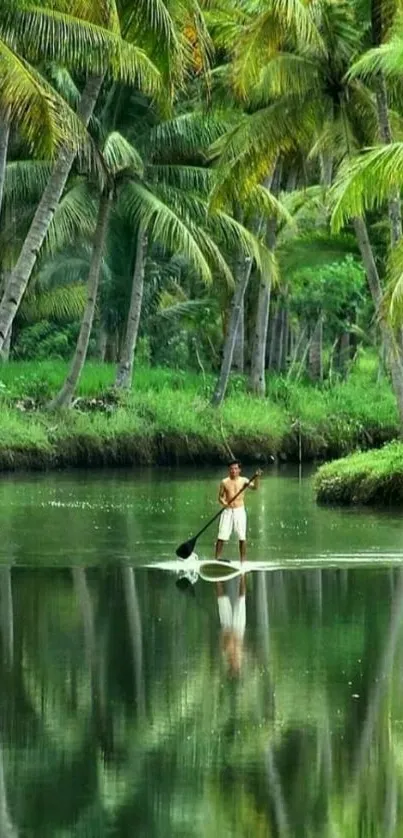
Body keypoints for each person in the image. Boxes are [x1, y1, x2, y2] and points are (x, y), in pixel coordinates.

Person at [215, 461, 262, 562]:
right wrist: (224, 503)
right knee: (221, 535)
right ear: (229, 470)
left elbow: (255, 487)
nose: (233, 471)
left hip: (239, 510)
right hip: (227, 511)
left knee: (242, 536)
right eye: (231, 469)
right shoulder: (224, 482)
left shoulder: (244, 480)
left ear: (239, 470)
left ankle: (243, 561)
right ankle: (217, 558)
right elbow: (220, 497)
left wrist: (257, 477)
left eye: (236, 469)